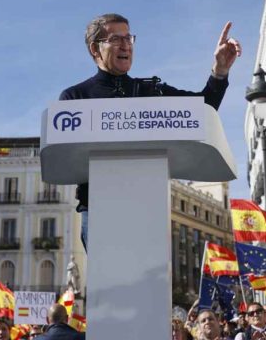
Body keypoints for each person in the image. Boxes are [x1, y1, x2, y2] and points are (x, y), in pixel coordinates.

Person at [58, 13, 241, 249]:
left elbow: (203, 110)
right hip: (97, 207)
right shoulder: (74, 98)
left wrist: (220, 71)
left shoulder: (151, 92)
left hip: (148, 207)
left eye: (129, 38)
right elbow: (68, 157)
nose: (126, 45)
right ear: (95, 49)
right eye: (116, 39)